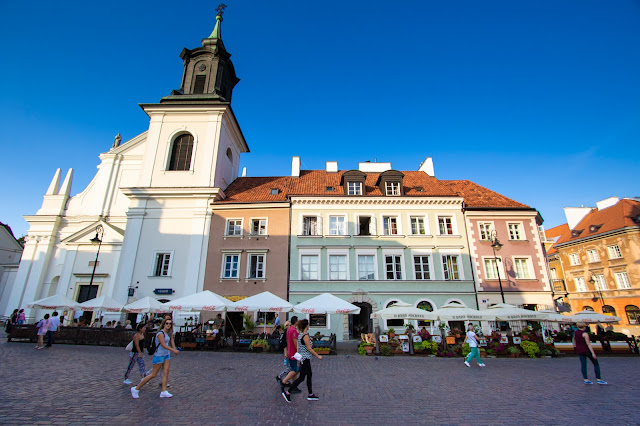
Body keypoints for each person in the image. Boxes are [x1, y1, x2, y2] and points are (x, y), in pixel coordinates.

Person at [131, 317, 179, 399]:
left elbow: (171, 341)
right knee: (153, 374)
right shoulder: (160, 333)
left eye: (170, 323)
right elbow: (163, 344)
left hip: (166, 355)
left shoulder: (169, 333)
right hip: (159, 355)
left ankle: (163, 391)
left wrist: (174, 348)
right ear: (164, 324)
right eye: (167, 323)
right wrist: (173, 350)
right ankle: (136, 388)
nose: (168, 325)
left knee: (166, 372)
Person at [282, 319, 323, 402]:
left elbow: (299, 348)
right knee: (301, 378)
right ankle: (288, 392)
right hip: (305, 359)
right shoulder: (305, 336)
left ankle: (310, 394)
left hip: (303, 359)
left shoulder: (300, 335)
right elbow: (309, 349)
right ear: (306, 326)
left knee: (309, 375)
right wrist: (318, 356)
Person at [278, 316, 300, 394]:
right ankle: (284, 381)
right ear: (296, 322)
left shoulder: (289, 329)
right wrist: (298, 351)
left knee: (294, 369)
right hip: (293, 353)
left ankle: (294, 386)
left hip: (290, 352)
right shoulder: (293, 330)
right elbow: (295, 342)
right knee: (295, 370)